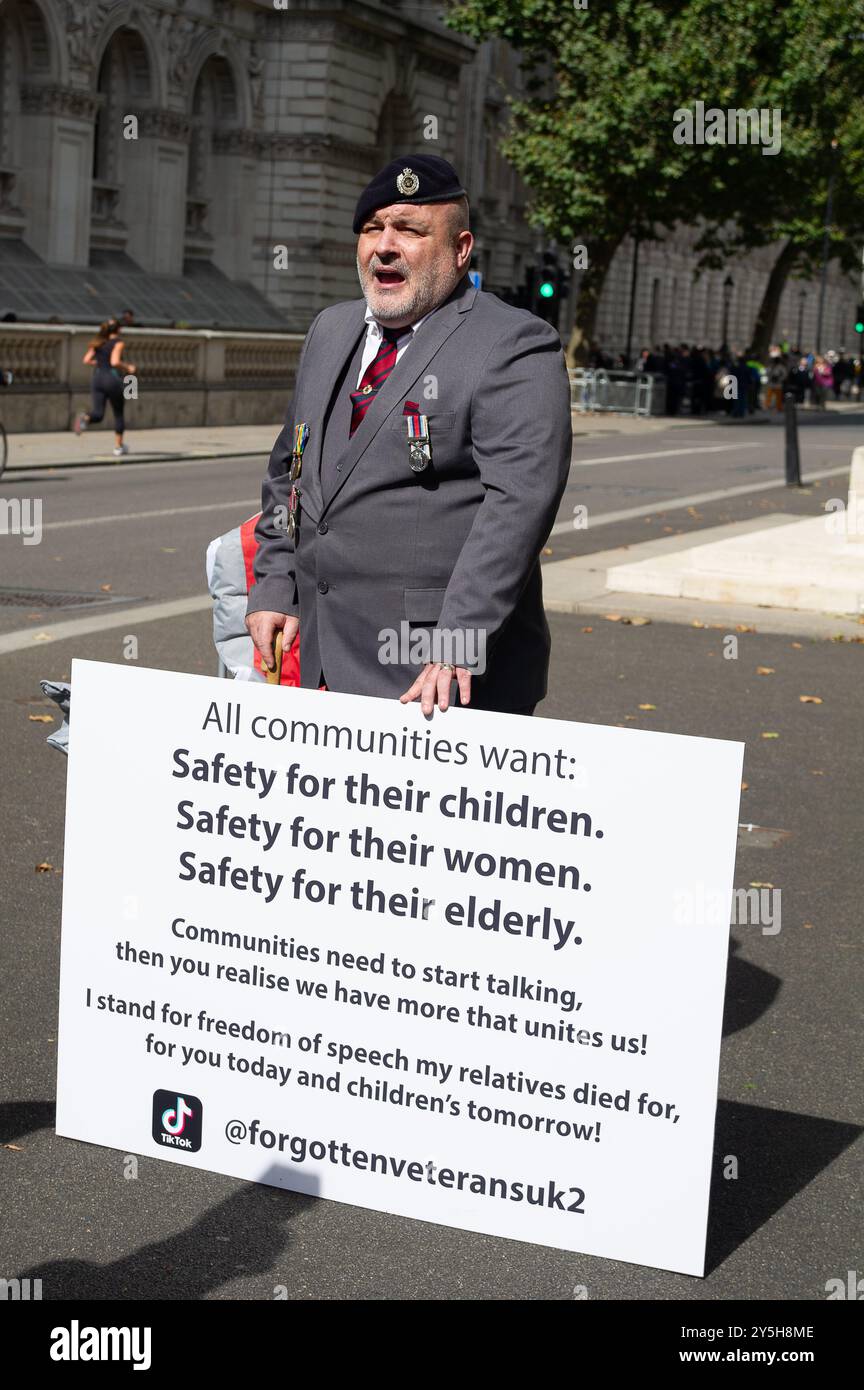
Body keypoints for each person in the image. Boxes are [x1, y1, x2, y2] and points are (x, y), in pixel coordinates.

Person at [245, 153, 572, 717]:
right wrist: (275, 582)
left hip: (438, 677)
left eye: (410, 230)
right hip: (324, 656)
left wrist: (457, 642)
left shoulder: (515, 344)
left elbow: (517, 507)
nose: (385, 246)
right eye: (372, 229)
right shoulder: (330, 329)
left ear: (461, 248)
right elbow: (289, 470)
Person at [73, 318, 136, 456]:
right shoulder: (118, 343)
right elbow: (115, 362)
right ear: (119, 330)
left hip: (97, 379)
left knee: (98, 413)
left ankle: (85, 418)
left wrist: (100, 362)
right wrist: (128, 367)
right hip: (112, 379)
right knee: (118, 414)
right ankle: (119, 447)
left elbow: (86, 360)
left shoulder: (98, 342)